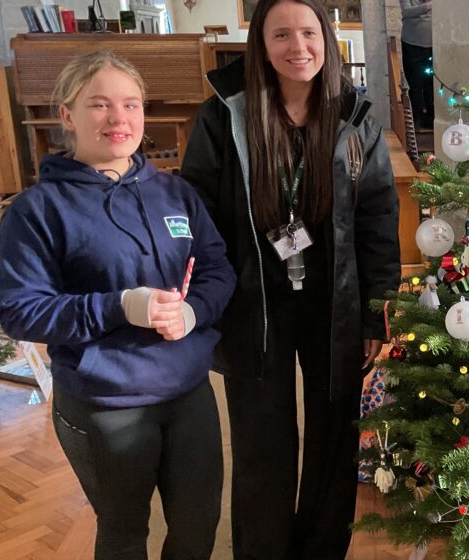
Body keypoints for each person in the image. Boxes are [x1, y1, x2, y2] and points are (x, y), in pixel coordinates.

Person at [180, 0, 401, 556]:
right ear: (260, 43)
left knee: (335, 438)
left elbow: (378, 219)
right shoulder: (223, 114)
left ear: (326, 40)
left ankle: (322, 548)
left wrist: (378, 310)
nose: (297, 47)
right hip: (253, 301)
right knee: (262, 440)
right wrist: (204, 303)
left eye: (308, 33)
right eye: (282, 34)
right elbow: (198, 214)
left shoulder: (355, 117)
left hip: (335, 301)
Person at [0, 51, 235, 559]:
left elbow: (216, 268)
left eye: (131, 104)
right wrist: (120, 306)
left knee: (198, 526)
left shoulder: (176, 193)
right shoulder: (37, 210)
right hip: (106, 402)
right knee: (125, 532)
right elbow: (21, 310)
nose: (119, 118)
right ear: (66, 115)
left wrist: (193, 312)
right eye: (99, 104)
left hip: (188, 390)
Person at [400, 0, 434, 130]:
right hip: (411, 43)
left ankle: (431, 119)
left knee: (431, 84)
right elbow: (406, 12)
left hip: (433, 44)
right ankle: (417, 120)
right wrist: (429, 6)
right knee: (415, 85)